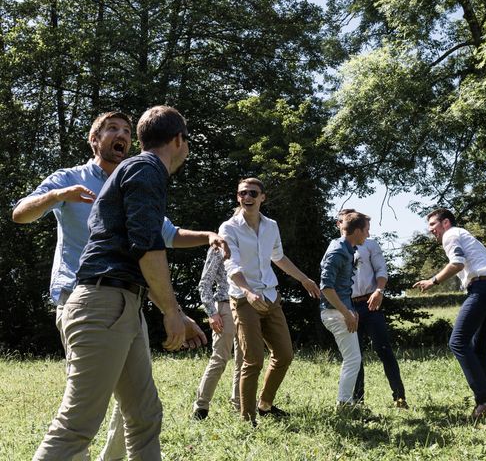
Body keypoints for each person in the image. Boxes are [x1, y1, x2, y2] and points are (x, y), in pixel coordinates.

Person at [13, 111, 223, 461]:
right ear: (178, 141)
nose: (120, 134)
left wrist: (207, 238)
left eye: (126, 129)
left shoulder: (133, 174)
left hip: (126, 299)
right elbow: (147, 247)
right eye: (112, 128)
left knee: (143, 415)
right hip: (91, 298)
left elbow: (161, 238)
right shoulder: (132, 172)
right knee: (78, 422)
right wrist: (171, 311)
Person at [220, 177, 321, 424]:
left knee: (285, 354)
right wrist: (247, 291)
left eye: (253, 193)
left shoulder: (271, 226)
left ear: (262, 197)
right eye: (242, 193)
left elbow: (278, 257)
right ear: (238, 197)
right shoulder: (229, 228)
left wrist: (304, 279)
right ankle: (247, 418)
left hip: (270, 297)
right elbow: (230, 264)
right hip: (244, 300)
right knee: (253, 359)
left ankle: (264, 404)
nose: (248, 197)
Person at [413, 208, 486, 419]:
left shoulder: (451, 234)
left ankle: (484, 401)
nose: (431, 231)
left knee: (457, 342)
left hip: (483, 288)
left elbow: (457, 263)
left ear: (445, 223)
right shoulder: (465, 235)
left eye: (433, 226)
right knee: (478, 345)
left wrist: (433, 280)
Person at [336, 209, 408, 409]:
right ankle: (358, 401)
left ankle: (399, 397)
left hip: (370, 303)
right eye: (341, 222)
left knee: (384, 350)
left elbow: (381, 270)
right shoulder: (335, 248)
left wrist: (379, 291)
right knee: (354, 356)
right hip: (350, 307)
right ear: (339, 224)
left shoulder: (370, 245)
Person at [319, 211, 369, 407]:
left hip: (340, 310)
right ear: (357, 231)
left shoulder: (346, 248)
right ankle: (345, 404)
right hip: (334, 312)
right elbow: (326, 287)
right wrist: (345, 312)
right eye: (366, 230)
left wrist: (350, 309)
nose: (368, 234)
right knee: (353, 359)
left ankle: (346, 402)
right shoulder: (338, 251)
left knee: (353, 359)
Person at [191, 245, 243, 420]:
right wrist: (212, 313)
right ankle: (201, 408)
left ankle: (239, 406)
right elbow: (205, 283)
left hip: (247, 308)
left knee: (244, 361)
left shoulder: (252, 242)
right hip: (225, 306)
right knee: (220, 358)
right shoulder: (218, 247)